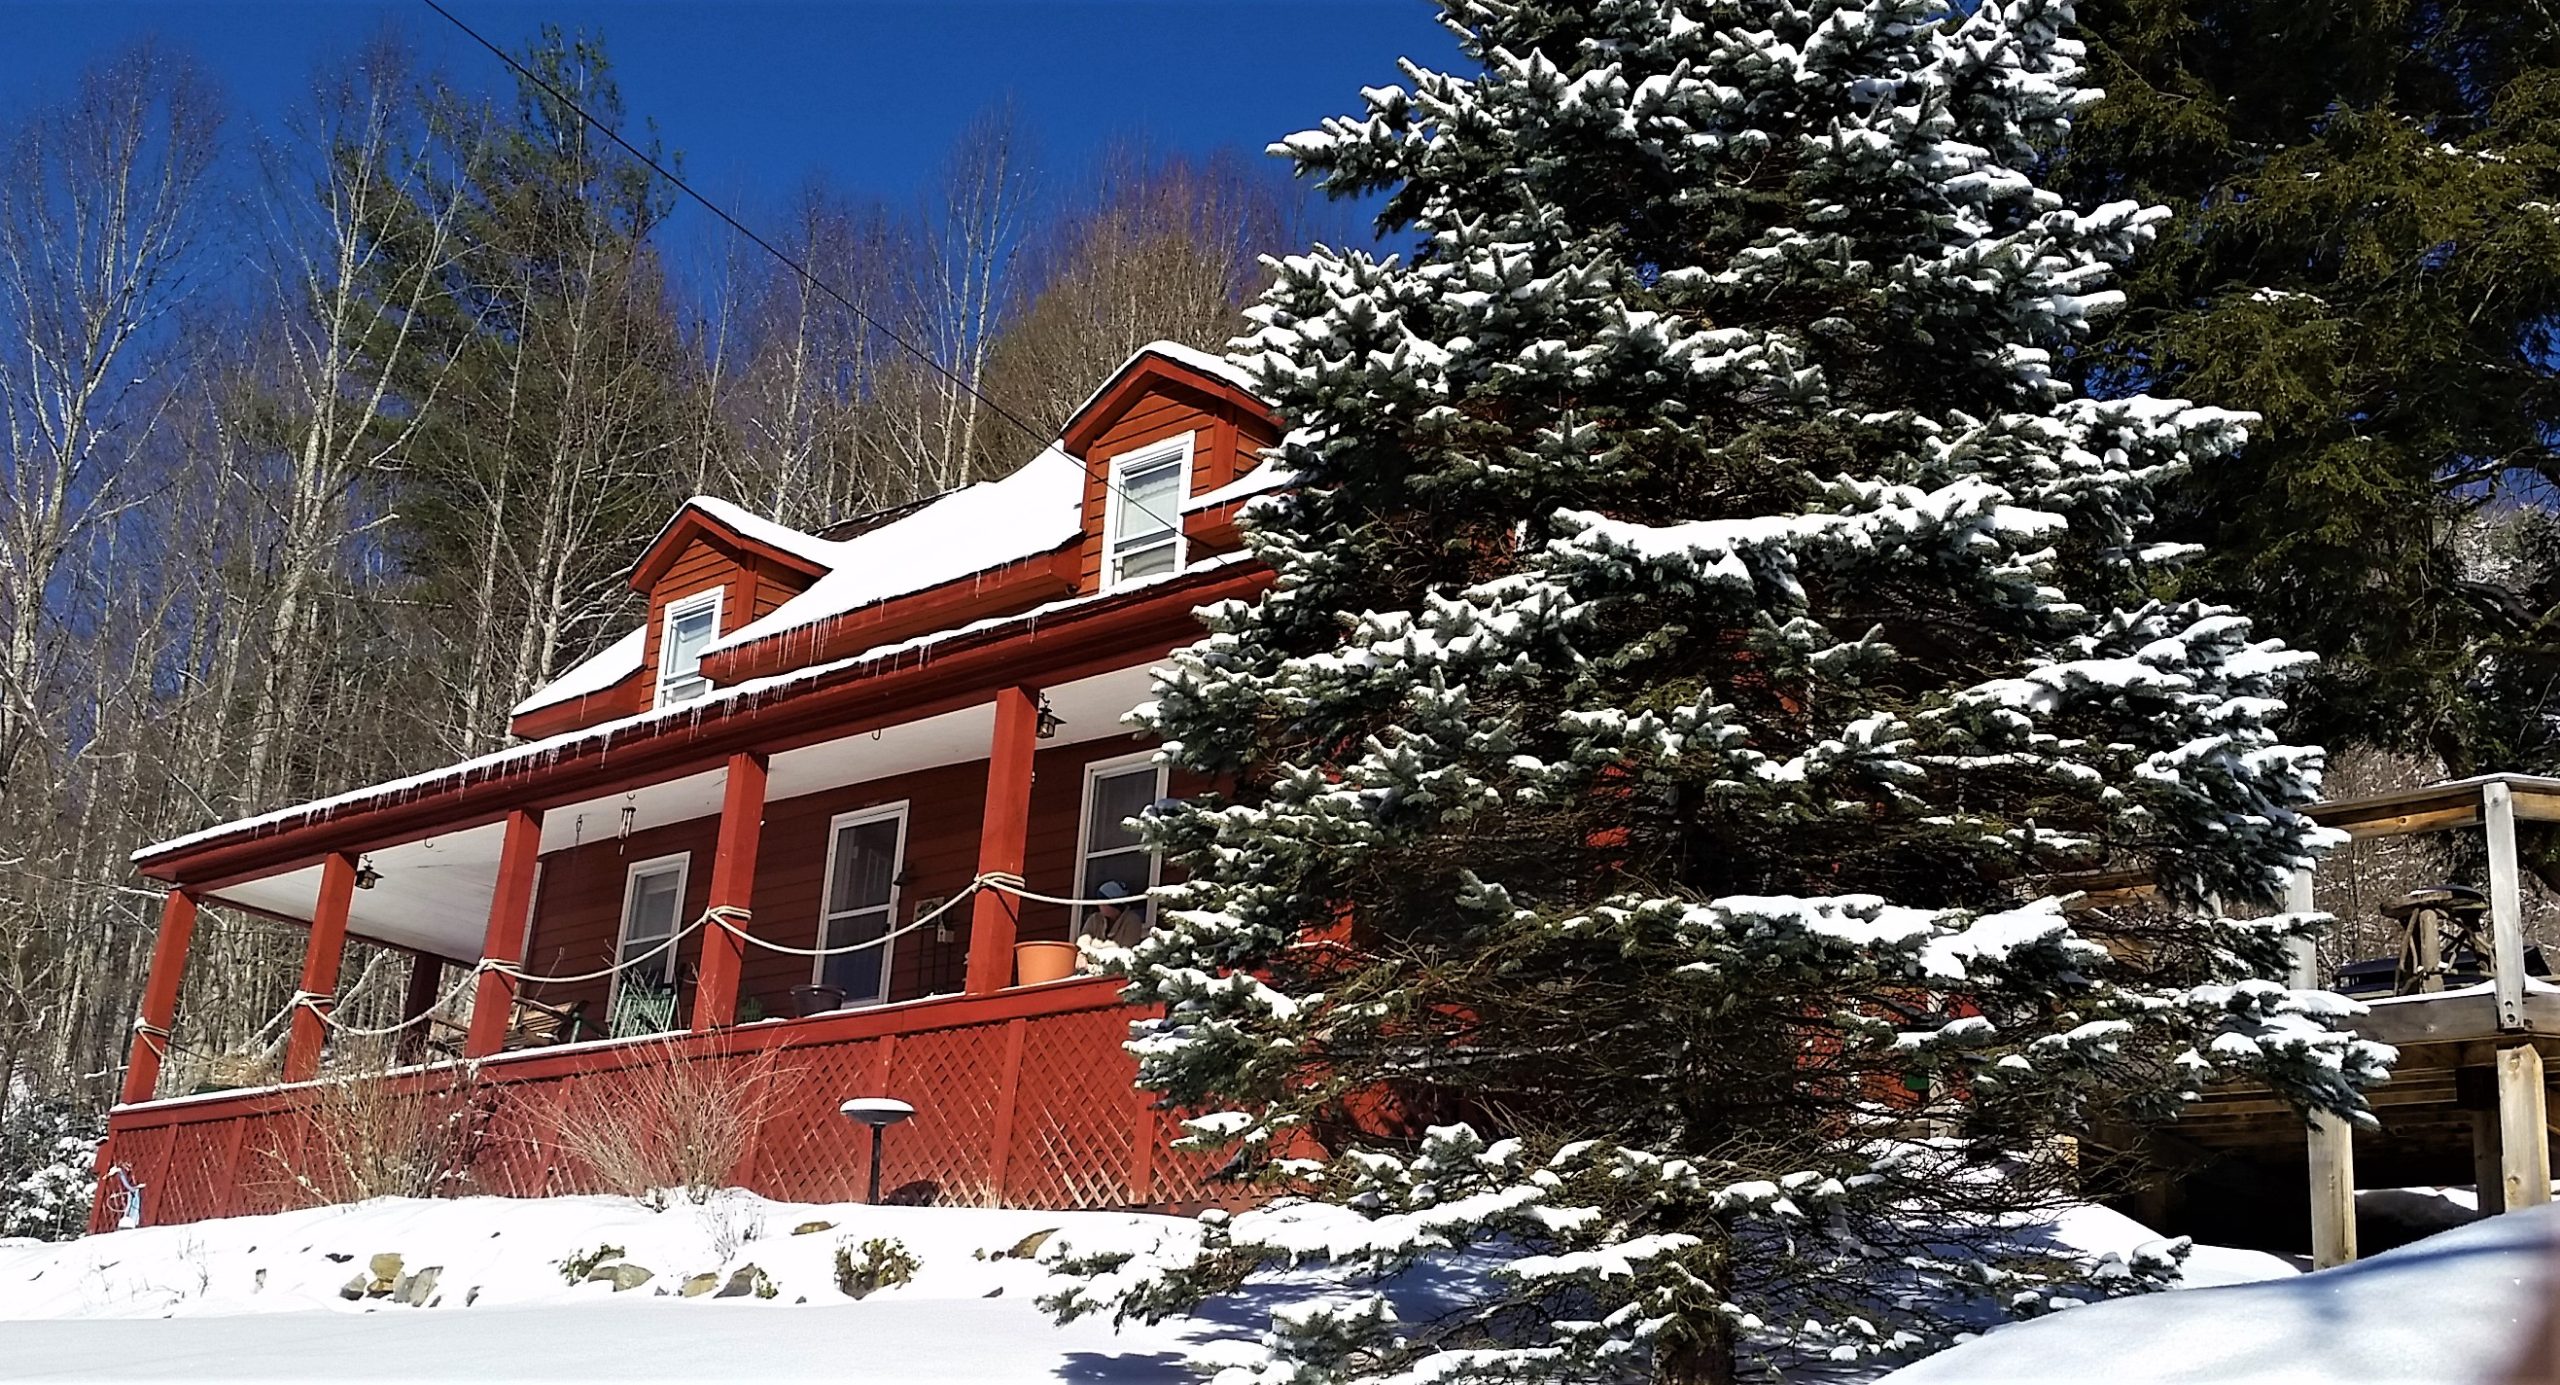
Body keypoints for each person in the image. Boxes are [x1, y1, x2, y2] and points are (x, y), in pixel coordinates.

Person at [1078, 878, 1149, 949]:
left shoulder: (1132, 921)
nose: (1099, 905)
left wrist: (1095, 944)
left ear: (1113, 905)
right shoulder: (1094, 919)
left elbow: (1126, 950)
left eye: (1102, 902)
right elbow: (1082, 942)